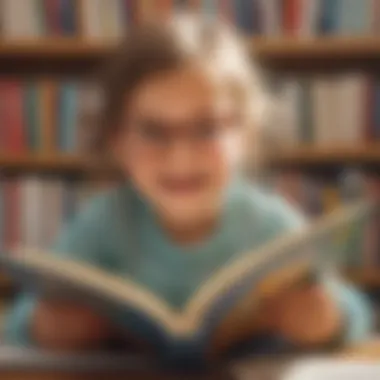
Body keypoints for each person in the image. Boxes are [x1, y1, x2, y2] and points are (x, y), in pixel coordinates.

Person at [4, 15, 373, 357]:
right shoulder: (104, 223)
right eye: (153, 131)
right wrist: (46, 327)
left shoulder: (270, 225)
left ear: (244, 136)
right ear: (117, 141)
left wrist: (326, 321)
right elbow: (18, 325)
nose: (181, 157)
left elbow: (355, 317)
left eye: (207, 128)